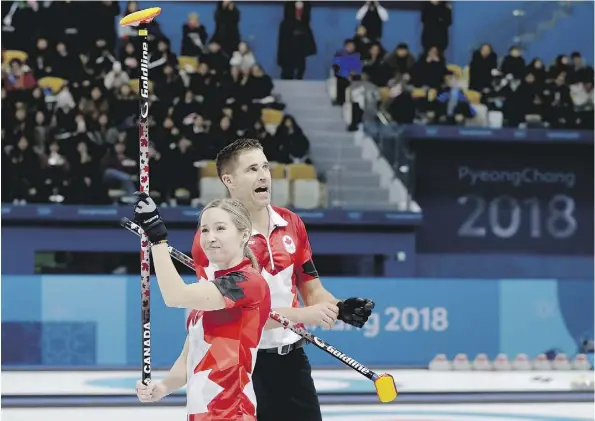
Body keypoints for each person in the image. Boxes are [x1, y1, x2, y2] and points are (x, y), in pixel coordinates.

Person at [191, 138, 375, 421]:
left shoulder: (291, 223)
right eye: (252, 169)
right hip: (239, 364)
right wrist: (305, 314)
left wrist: (337, 307)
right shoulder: (214, 236)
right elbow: (236, 316)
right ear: (229, 180)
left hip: (290, 360)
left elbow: (312, 289)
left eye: (265, 166)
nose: (264, 175)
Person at [132, 194, 271, 421]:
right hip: (202, 414)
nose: (210, 237)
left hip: (232, 413)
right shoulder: (209, 291)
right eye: (204, 230)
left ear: (244, 235)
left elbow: (176, 296)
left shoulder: (248, 282)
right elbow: (191, 357)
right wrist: (164, 387)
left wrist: (157, 239)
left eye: (220, 228)